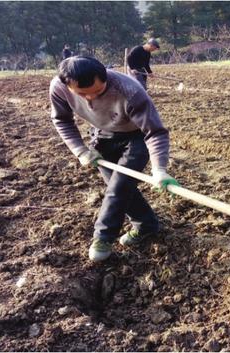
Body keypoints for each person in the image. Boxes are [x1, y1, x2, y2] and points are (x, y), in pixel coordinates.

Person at [49, 56, 179, 262]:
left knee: (118, 187)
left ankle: (103, 236)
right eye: (82, 94)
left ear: (105, 78)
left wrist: (159, 169)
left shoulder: (130, 90)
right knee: (118, 184)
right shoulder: (58, 87)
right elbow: (62, 120)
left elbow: (155, 132)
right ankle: (146, 225)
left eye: (98, 92)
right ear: (67, 85)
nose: (90, 98)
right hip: (103, 134)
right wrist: (81, 151)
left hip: (137, 137)